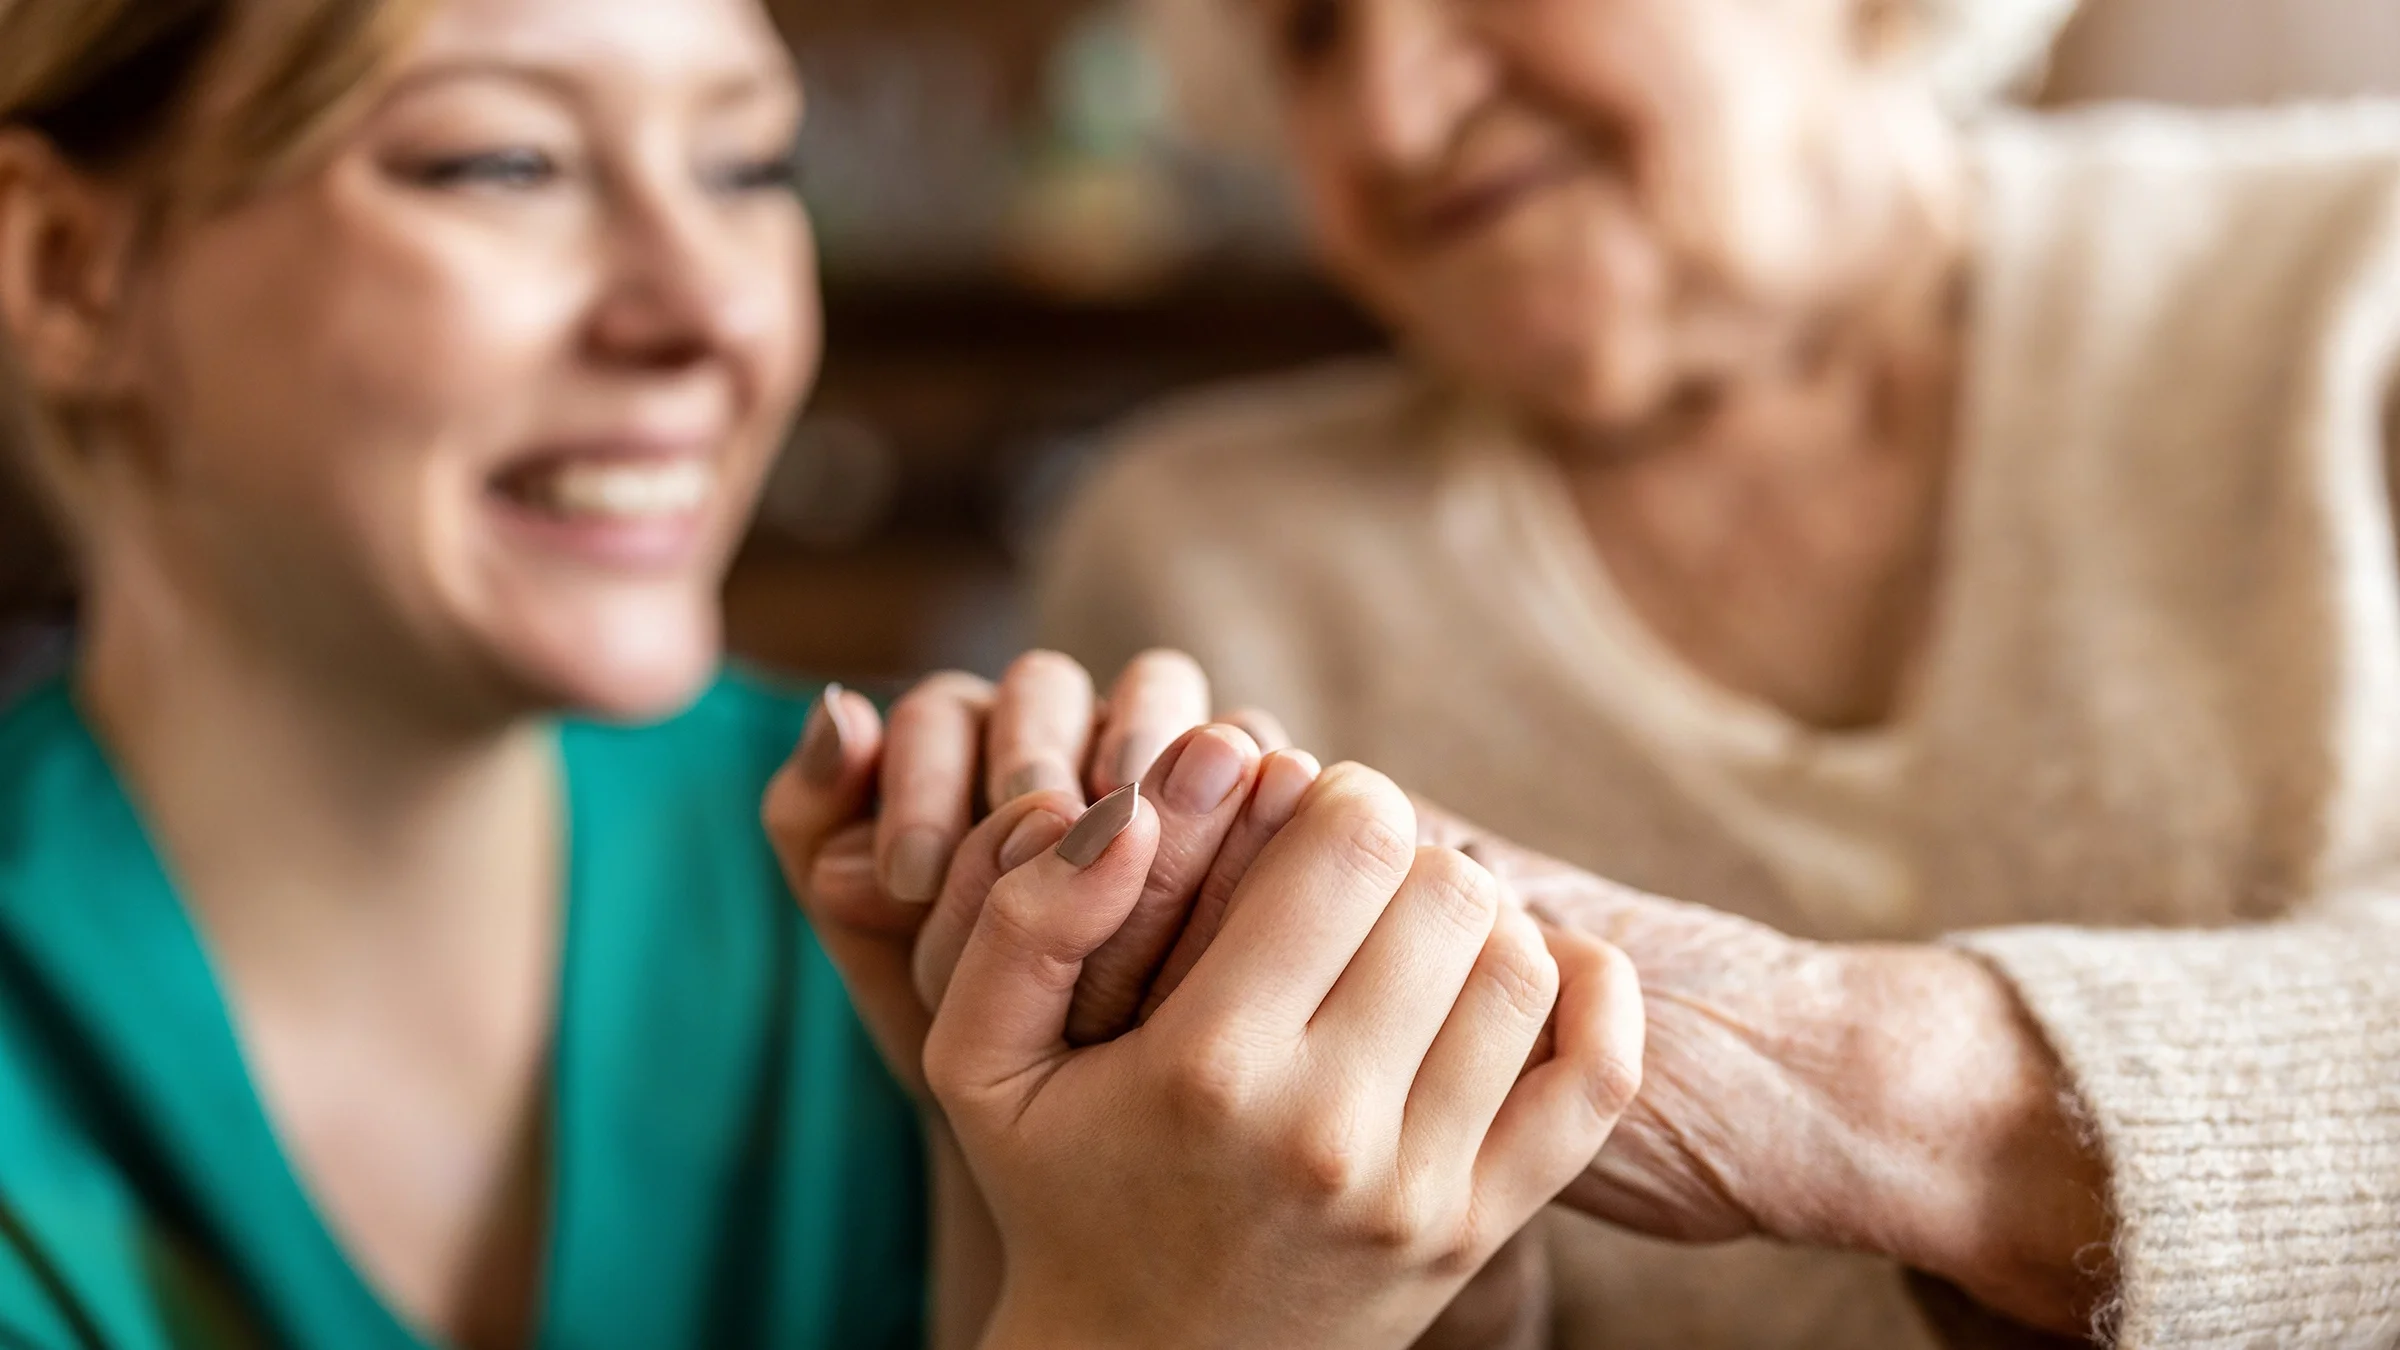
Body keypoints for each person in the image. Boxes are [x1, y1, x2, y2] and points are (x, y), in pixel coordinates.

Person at [0, 0, 1645, 1346]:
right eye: (504, 160)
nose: (711, 305)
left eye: (747, 164)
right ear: (71, 270)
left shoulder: (948, 902)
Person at [1034, 0, 2400, 1344]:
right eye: (1312, 35)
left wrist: (1832, 1080)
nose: (1393, 114)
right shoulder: (1205, 561)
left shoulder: (2359, 272)